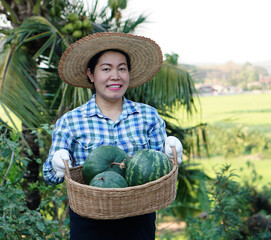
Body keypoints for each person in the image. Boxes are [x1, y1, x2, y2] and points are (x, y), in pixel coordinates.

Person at [42, 32, 183, 240]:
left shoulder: (148, 116)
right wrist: (58, 164)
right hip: (89, 224)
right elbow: (49, 175)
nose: (115, 76)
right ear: (91, 74)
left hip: (139, 221)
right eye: (106, 69)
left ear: (129, 74)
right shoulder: (71, 121)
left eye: (122, 68)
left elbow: (161, 171)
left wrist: (172, 155)